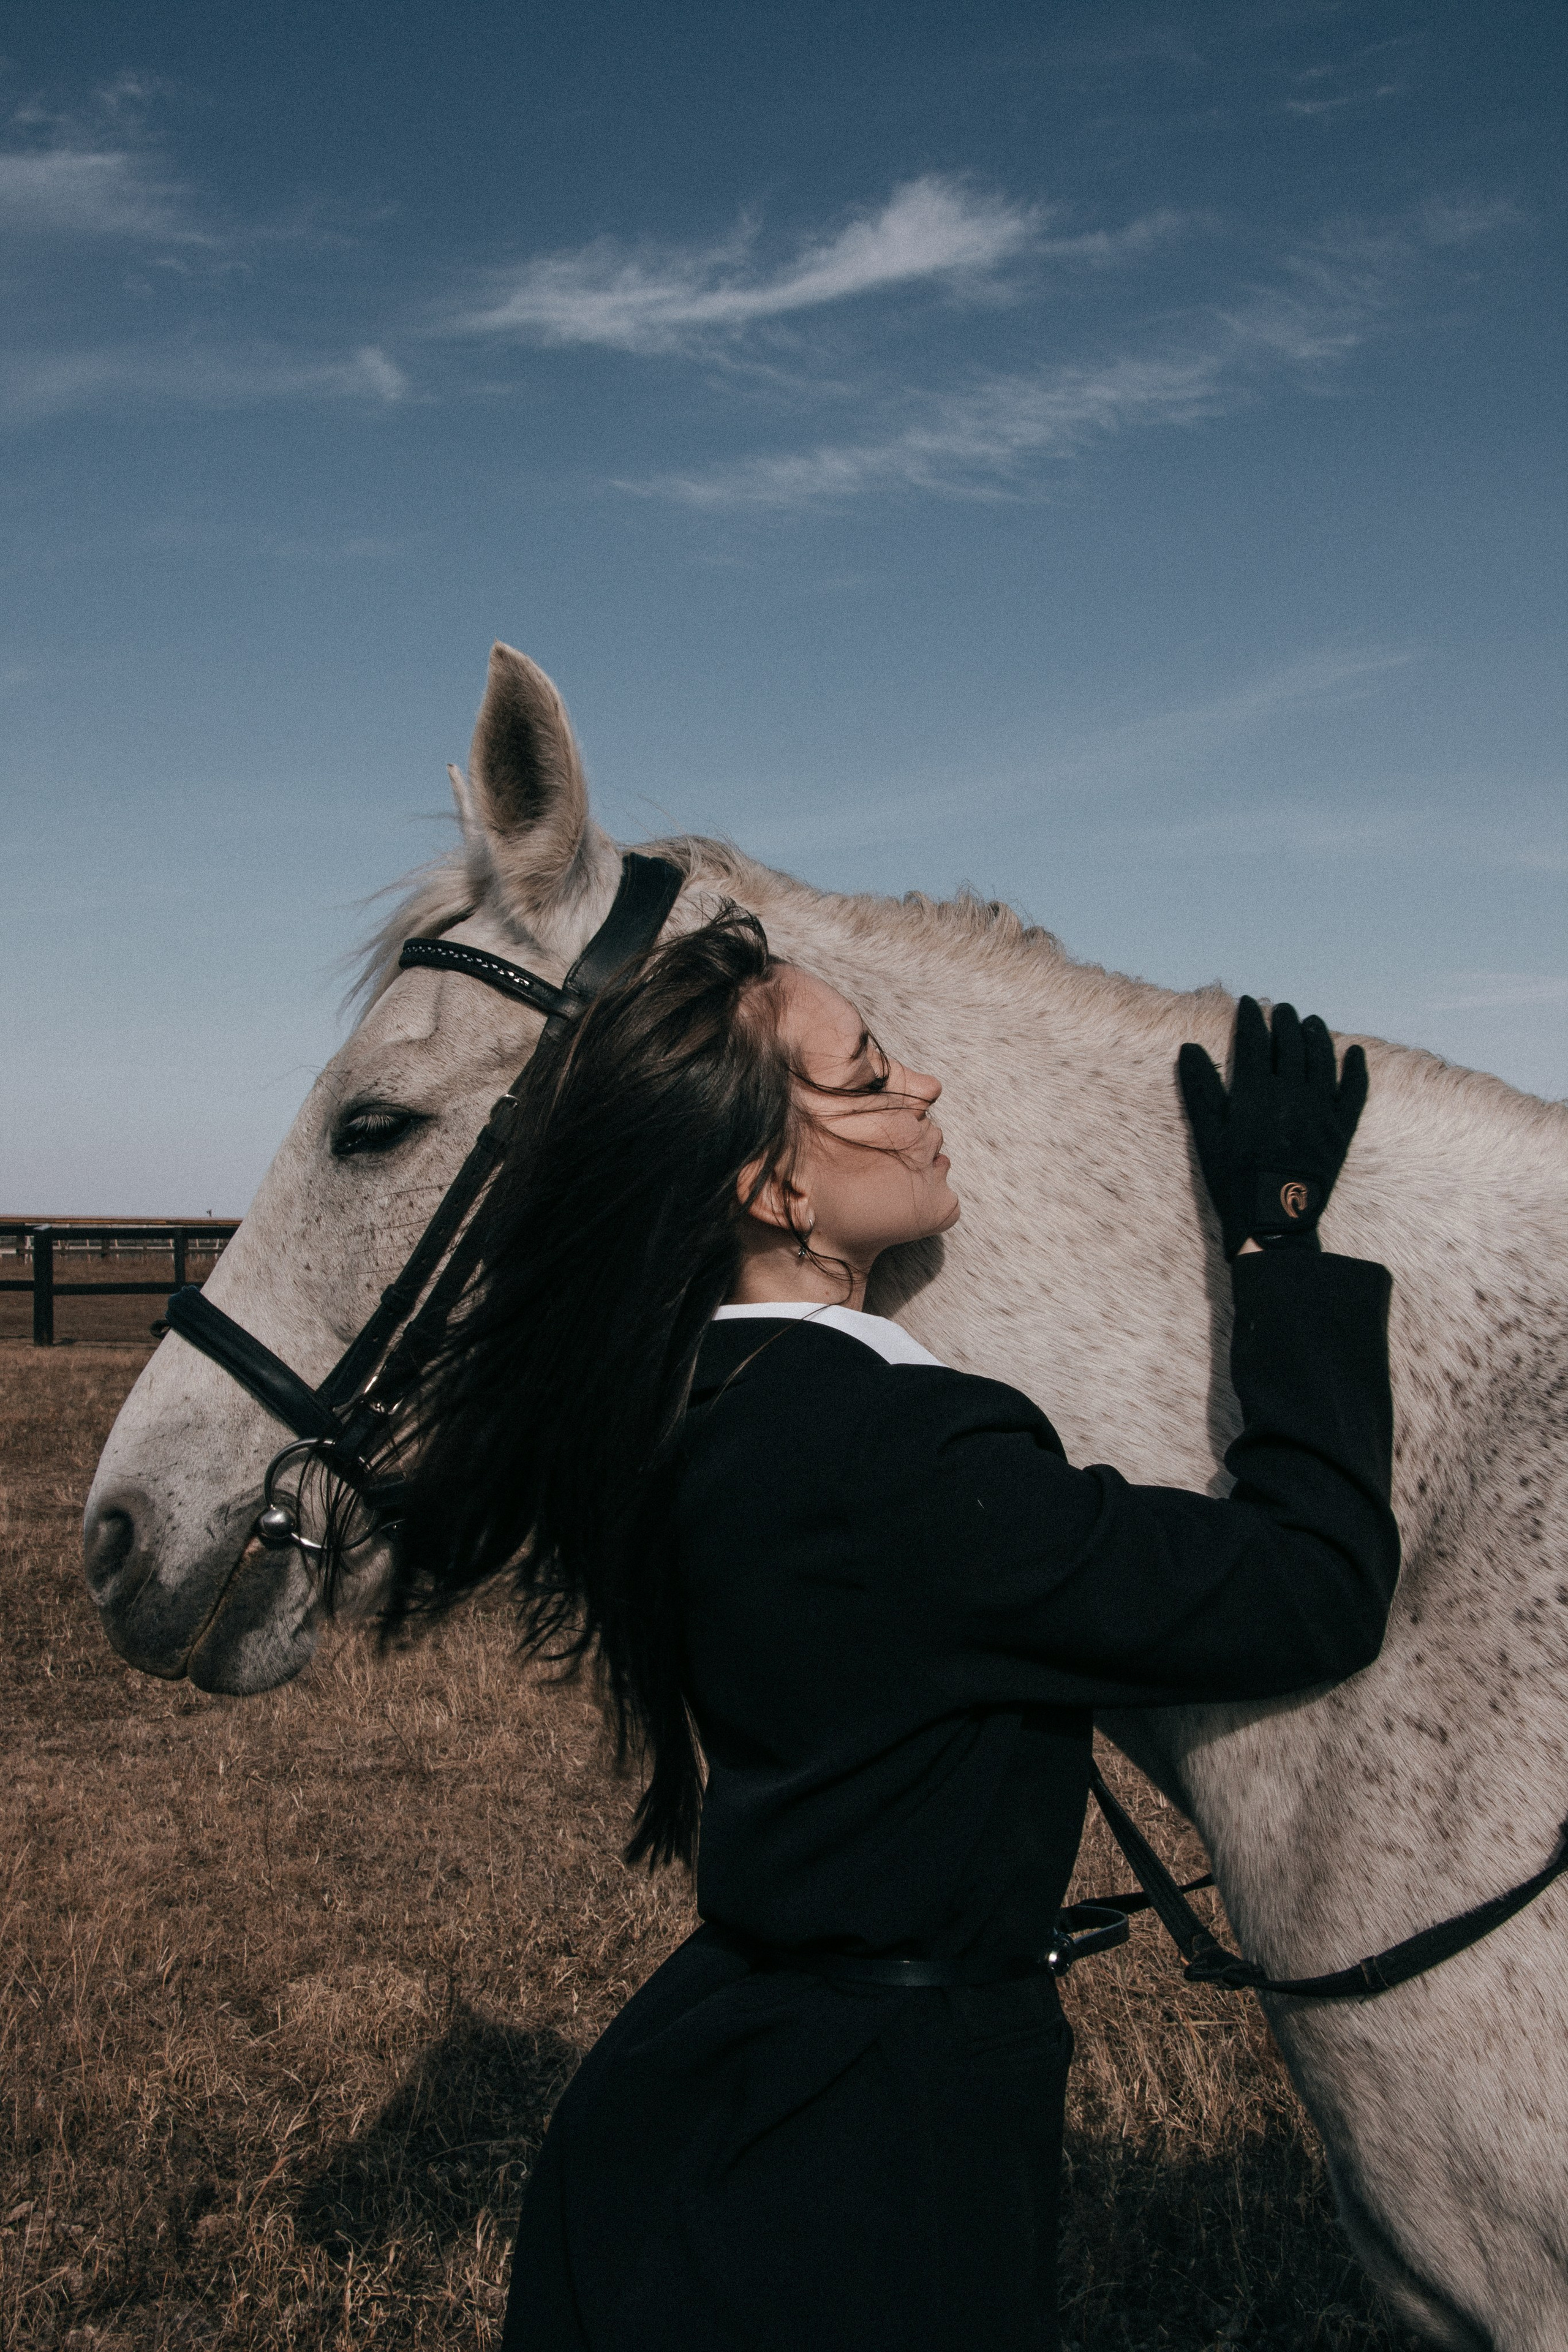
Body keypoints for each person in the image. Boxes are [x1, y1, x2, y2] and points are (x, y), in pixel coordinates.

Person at [380, 907, 1396, 2352]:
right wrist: (1279, 1249)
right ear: (773, 1188)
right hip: (867, 2151)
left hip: (709, 2090)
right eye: (863, 1081)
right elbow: (1310, 1588)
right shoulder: (896, 1459)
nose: (917, 1093)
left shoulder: (693, 1414)